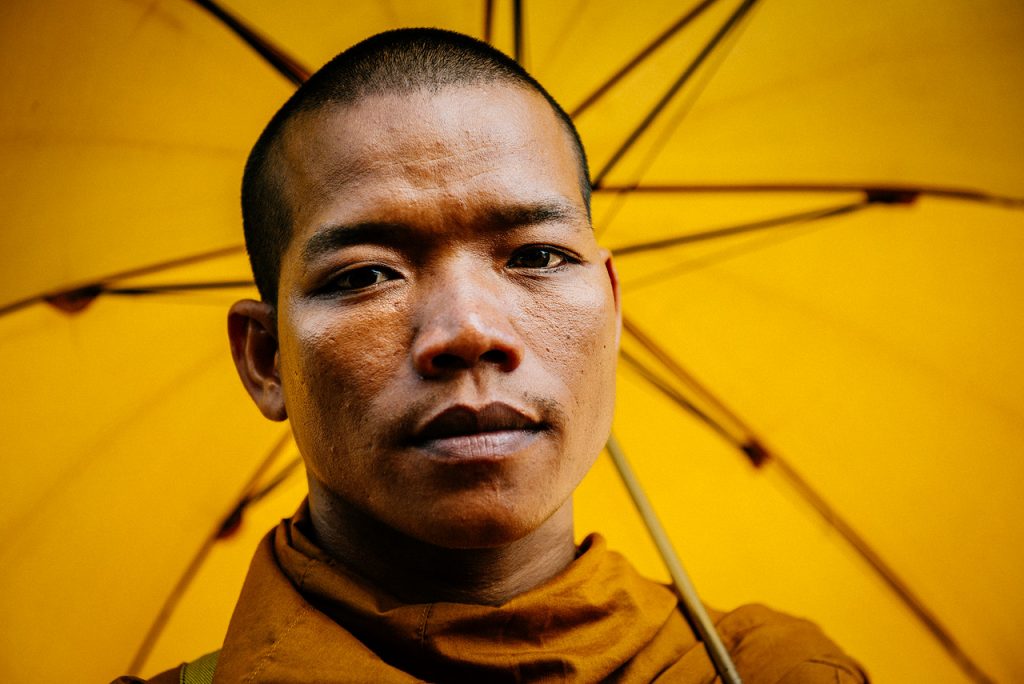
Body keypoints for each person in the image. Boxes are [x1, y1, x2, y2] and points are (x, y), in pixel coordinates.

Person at [118, 28, 867, 683]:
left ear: (610, 307)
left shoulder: (770, 671)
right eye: (366, 274)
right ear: (266, 359)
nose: (471, 330)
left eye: (538, 255)